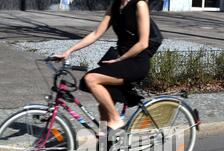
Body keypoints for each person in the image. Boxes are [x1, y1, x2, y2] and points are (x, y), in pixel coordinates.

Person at [55, 0, 152, 134]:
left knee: (91, 79)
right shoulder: (115, 6)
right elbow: (95, 34)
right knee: (103, 107)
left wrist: (120, 59)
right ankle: (103, 144)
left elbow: (143, 43)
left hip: (136, 62)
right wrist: (69, 51)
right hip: (121, 61)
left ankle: (116, 120)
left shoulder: (139, 5)